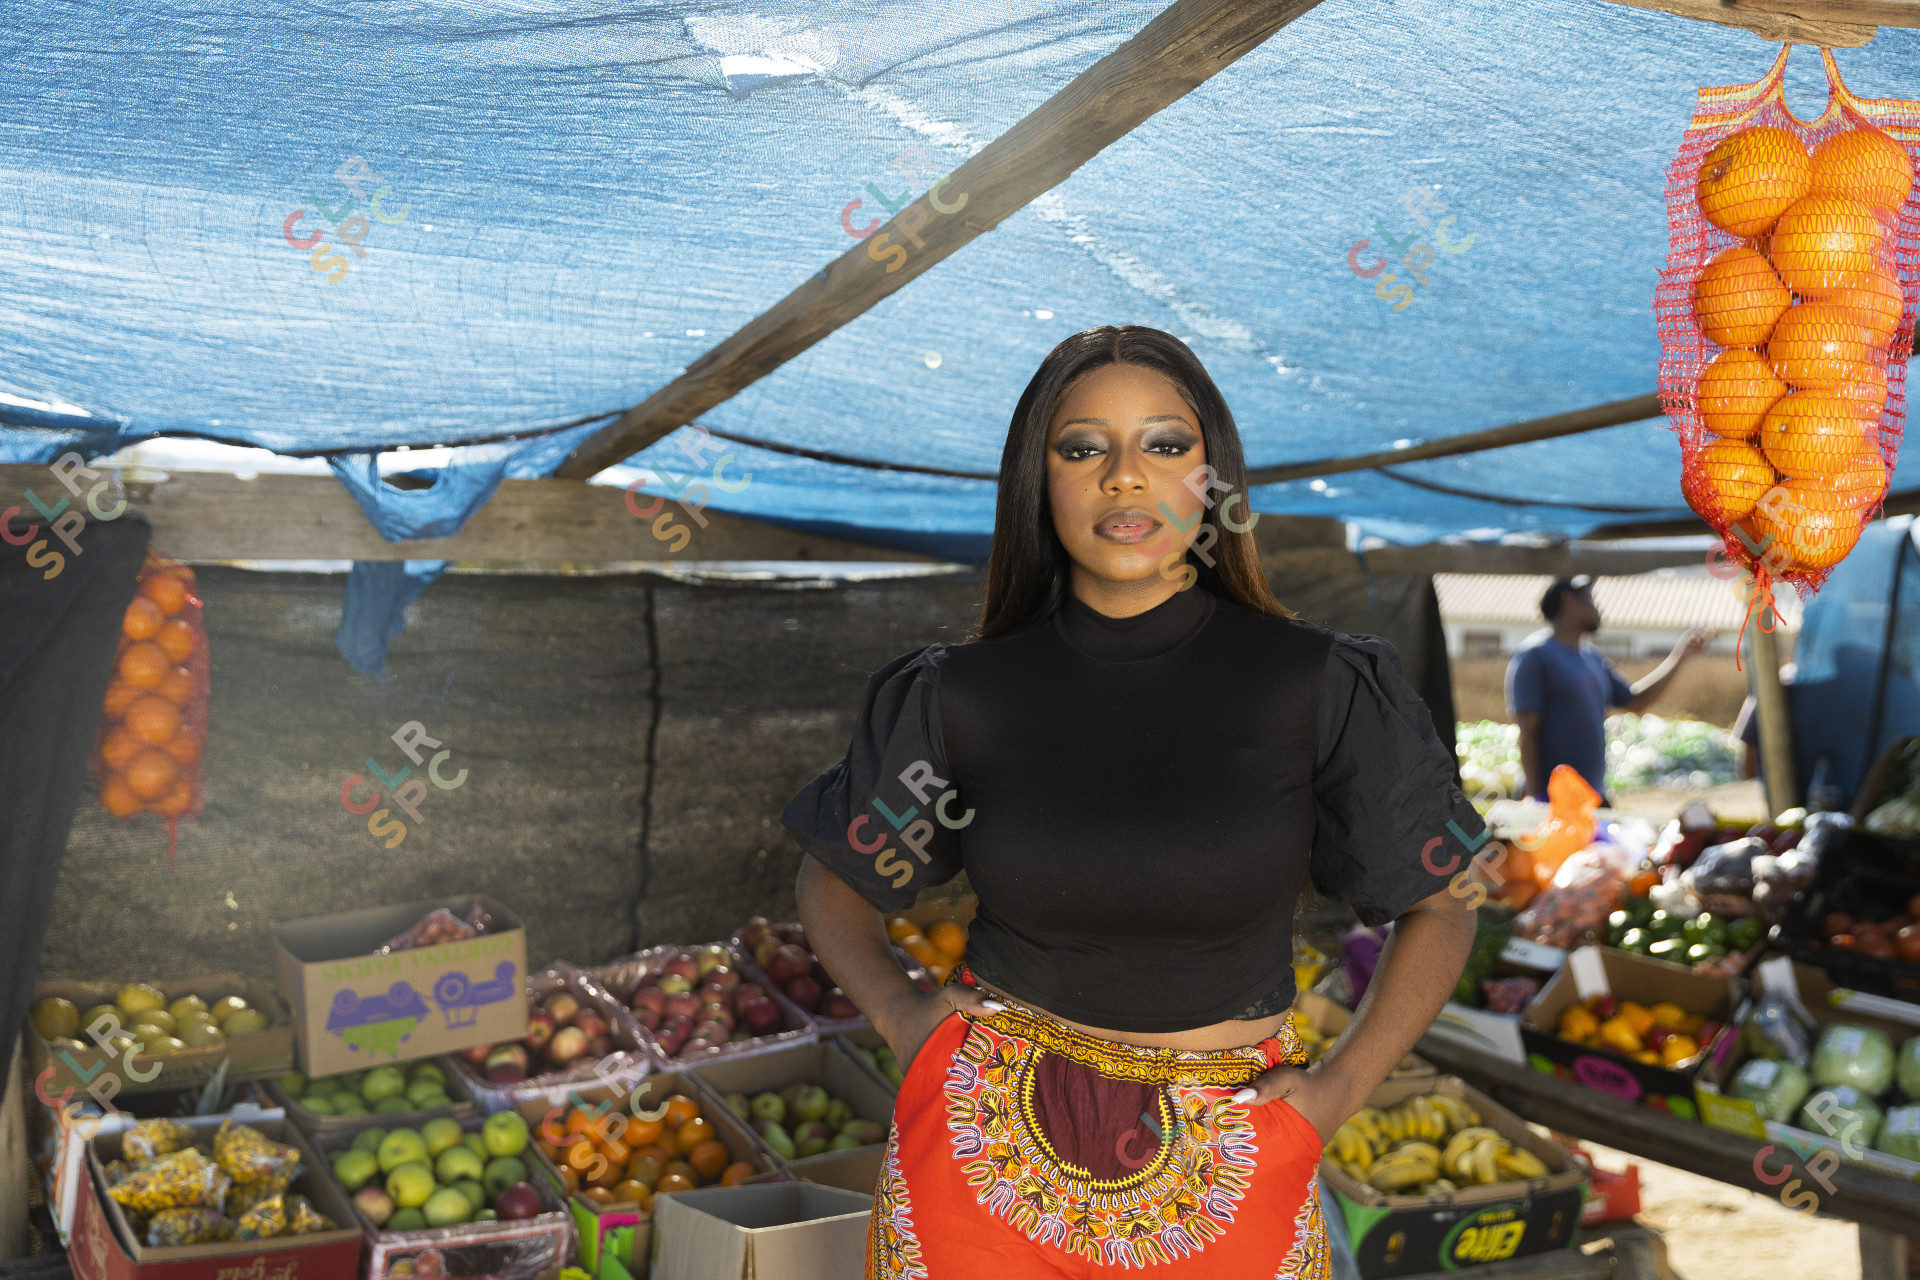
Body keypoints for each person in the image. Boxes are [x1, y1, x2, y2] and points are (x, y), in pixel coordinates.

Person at [781, 326, 1478, 1278]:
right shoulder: (965, 696)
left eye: (1163, 445)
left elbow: (1441, 902)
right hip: (978, 1171)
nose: (1123, 478)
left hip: (1235, 1162)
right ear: (1039, 480)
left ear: (1213, 480)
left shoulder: (1314, 686)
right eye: (1082, 448)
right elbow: (839, 879)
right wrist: (907, 1023)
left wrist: (1339, 1090)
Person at [1506, 576, 1713, 803]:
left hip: (1593, 795)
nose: (1597, 608)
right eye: (1590, 600)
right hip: (1552, 798)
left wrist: (1680, 656)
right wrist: (1536, 796)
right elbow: (1528, 729)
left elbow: (1636, 701)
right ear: (1568, 601)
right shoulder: (1537, 656)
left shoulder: (1592, 658)